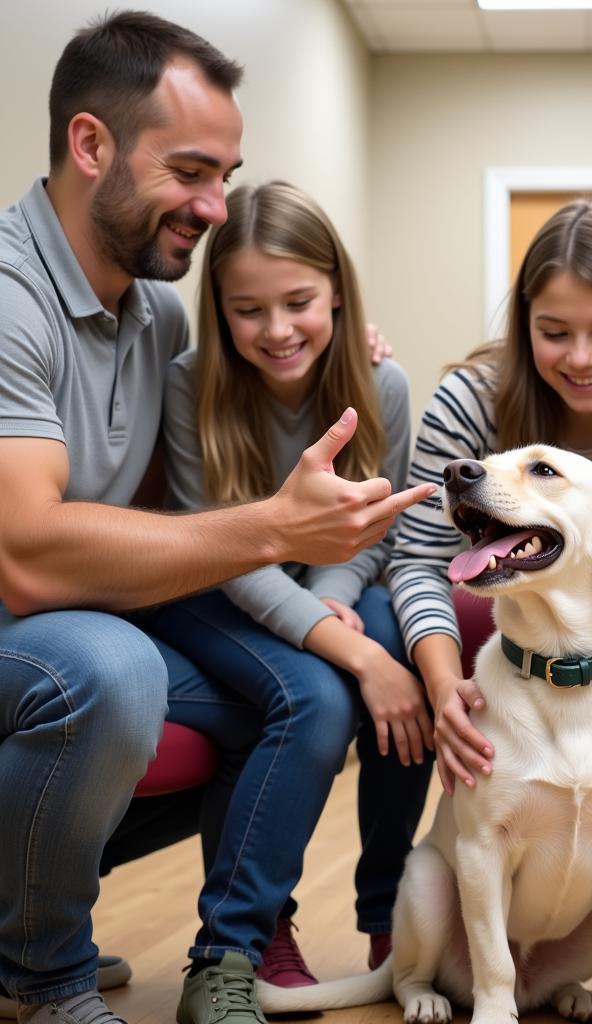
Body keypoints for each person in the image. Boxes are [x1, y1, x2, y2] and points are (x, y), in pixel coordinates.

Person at [0, 13, 432, 1024]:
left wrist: (327, 360)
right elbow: (24, 555)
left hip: (99, 606)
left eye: (225, 173)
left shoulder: (159, 311)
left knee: (302, 706)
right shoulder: (12, 299)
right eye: (191, 170)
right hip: (38, 619)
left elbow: (168, 509)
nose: (214, 205)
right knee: (112, 669)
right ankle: (46, 970)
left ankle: (228, 946)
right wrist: (279, 528)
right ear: (90, 144)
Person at [387, 198, 592, 989]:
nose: (580, 358)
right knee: (380, 639)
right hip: (478, 613)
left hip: (591, 619)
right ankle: (389, 911)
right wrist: (443, 690)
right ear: (523, 320)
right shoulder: (470, 400)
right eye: (553, 331)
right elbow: (418, 560)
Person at [148, 180, 434, 993]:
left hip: (327, 583)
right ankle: (246, 939)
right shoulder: (190, 383)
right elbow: (233, 554)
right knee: (323, 694)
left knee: (404, 646)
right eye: (248, 310)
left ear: (337, 292)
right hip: (214, 586)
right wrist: (339, 640)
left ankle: (391, 917)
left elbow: (372, 525)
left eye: (299, 301)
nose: (277, 330)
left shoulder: (384, 384)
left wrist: (339, 604)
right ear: (220, 308)